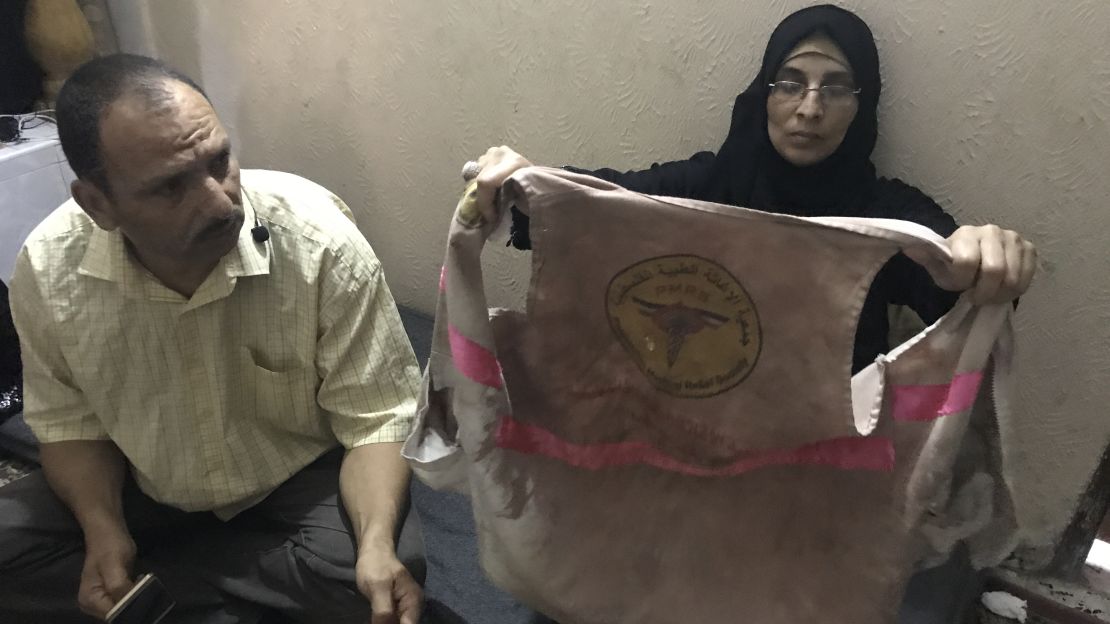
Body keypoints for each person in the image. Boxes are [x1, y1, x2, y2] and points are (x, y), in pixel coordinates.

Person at [0, 54, 423, 624]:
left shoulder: (320, 242)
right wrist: (103, 531)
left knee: (371, 571)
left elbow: (377, 418)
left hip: (296, 476)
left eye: (219, 160)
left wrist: (374, 544)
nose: (221, 202)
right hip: (143, 476)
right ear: (97, 204)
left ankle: (157, 599)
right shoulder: (49, 270)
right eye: (171, 187)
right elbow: (70, 424)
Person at [472, 4, 1036, 377]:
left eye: (835, 88)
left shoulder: (880, 213)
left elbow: (951, 276)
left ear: (861, 108)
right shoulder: (712, 186)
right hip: (700, 421)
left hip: (825, 453)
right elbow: (600, 207)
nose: (809, 108)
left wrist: (986, 259)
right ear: (763, 93)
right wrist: (523, 185)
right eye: (790, 82)